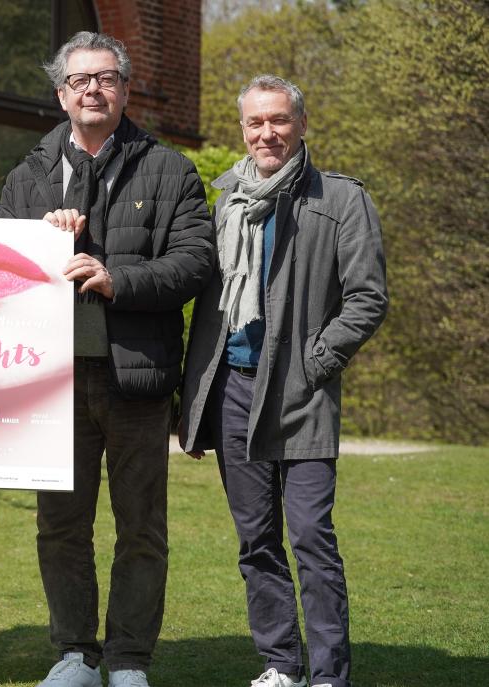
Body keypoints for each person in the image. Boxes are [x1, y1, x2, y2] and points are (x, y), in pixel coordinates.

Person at [0, 31, 214, 687]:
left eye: (107, 78)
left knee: (141, 528)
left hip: (135, 378)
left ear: (124, 89)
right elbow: (0, 275)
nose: (94, 89)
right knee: (60, 525)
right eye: (80, 79)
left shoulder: (169, 169)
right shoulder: (27, 176)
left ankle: (126, 659)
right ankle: (76, 654)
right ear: (62, 95)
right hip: (52, 383)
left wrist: (118, 277)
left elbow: (196, 260)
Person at [179, 75, 388, 687]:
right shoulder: (227, 203)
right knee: (257, 541)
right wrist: (194, 402)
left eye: (277, 121)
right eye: (254, 123)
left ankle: (328, 675)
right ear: (241, 129)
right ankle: (280, 665)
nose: (265, 133)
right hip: (233, 392)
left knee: (311, 537)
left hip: (302, 395)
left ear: (301, 124)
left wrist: (315, 364)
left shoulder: (342, 199)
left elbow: (367, 298)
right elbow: (211, 314)